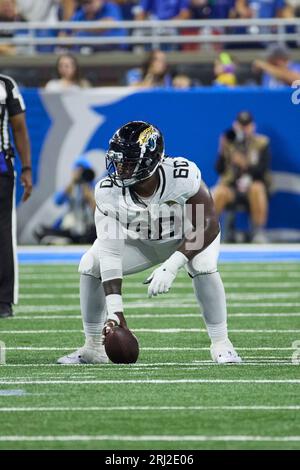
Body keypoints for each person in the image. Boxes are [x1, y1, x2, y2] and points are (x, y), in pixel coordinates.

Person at [58, 120, 241, 365]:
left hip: (186, 238)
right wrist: (116, 313)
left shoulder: (181, 175)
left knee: (204, 265)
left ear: (150, 160)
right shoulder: (108, 192)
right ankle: (94, 347)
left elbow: (207, 225)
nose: (120, 167)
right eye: (118, 159)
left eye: (128, 160)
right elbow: (110, 252)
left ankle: (222, 343)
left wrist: (173, 265)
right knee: (91, 263)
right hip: (141, 243)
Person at [0, 74, 32, 318]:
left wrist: (27, 168)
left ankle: (3, 299)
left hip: (1, 166)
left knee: (3, 232)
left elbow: (19, 126)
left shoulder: (6, 84)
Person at [212, 111, 271, 243]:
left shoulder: (261, 142)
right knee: (219, 192)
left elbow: (262, 170)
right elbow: (219, 169)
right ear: (235, 126)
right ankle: (208, 231)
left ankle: (258, 231)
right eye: (241, 125)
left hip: (252, 186)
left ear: (252, 126)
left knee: (257, 188)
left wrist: (244, 164)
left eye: (247, 125)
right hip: (232, 188)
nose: (244, 128)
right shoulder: (228, 142)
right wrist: (222, 149)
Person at [35, 157, 96, 245]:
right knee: (43, 228)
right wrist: (72, 182)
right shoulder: (71, 186)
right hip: (73, 225)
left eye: (83, 171)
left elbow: (97, 210)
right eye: (79, 170)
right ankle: (66, 238)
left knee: (93, 232)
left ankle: (64, 239)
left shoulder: (94, 186)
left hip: (88, 225)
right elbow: (57, 201)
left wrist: (89, 196)